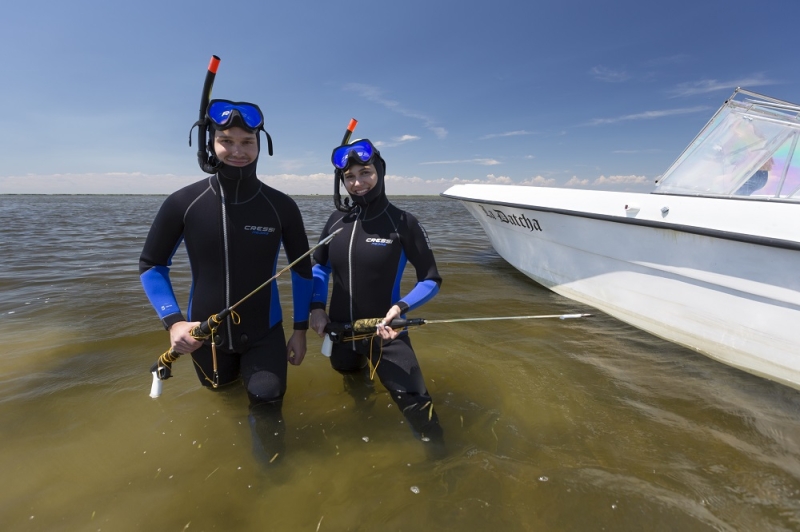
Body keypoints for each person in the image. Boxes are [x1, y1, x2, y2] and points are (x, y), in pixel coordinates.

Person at [139, 99, 313, 464]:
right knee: (222, 396)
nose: (237, 150)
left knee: (267, 401)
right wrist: (174, 322)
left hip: (264, 333)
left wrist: (299, 330)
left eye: (246, 142)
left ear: (260, 144)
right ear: (210, 143)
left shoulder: (281, 206)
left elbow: (302, 271)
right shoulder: (183, 202)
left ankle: (273, 479)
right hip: (204, 336)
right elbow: (152, 265)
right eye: (226, 140)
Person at [309, 136, 445, 449]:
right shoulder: (335, 221)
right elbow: (319, 268)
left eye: (366, 172)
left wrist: (400, 307)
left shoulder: (402, 222)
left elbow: (431, 279)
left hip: (387, 335)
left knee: (419, 409)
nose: (358, 183)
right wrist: (317, 307)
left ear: (380, 172)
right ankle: (367, 432)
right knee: (356, 391)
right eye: (350, 177)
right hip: (341, 333)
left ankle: (443, 467)